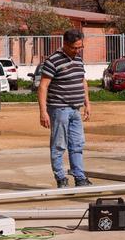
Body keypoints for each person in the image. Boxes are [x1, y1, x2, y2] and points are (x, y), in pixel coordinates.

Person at [37, 29, 93, 188]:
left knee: (77, 144)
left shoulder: (79, 59)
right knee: (59, 144)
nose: (77, 50)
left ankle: (79, 177)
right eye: (74, 48)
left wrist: (87, 103)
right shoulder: (53, 61)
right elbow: (43, 87)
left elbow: (83, 82)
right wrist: (43, 112)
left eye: (80, 47)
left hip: (75, 109)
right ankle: (61, 178)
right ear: (65, 44)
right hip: (59, 109)